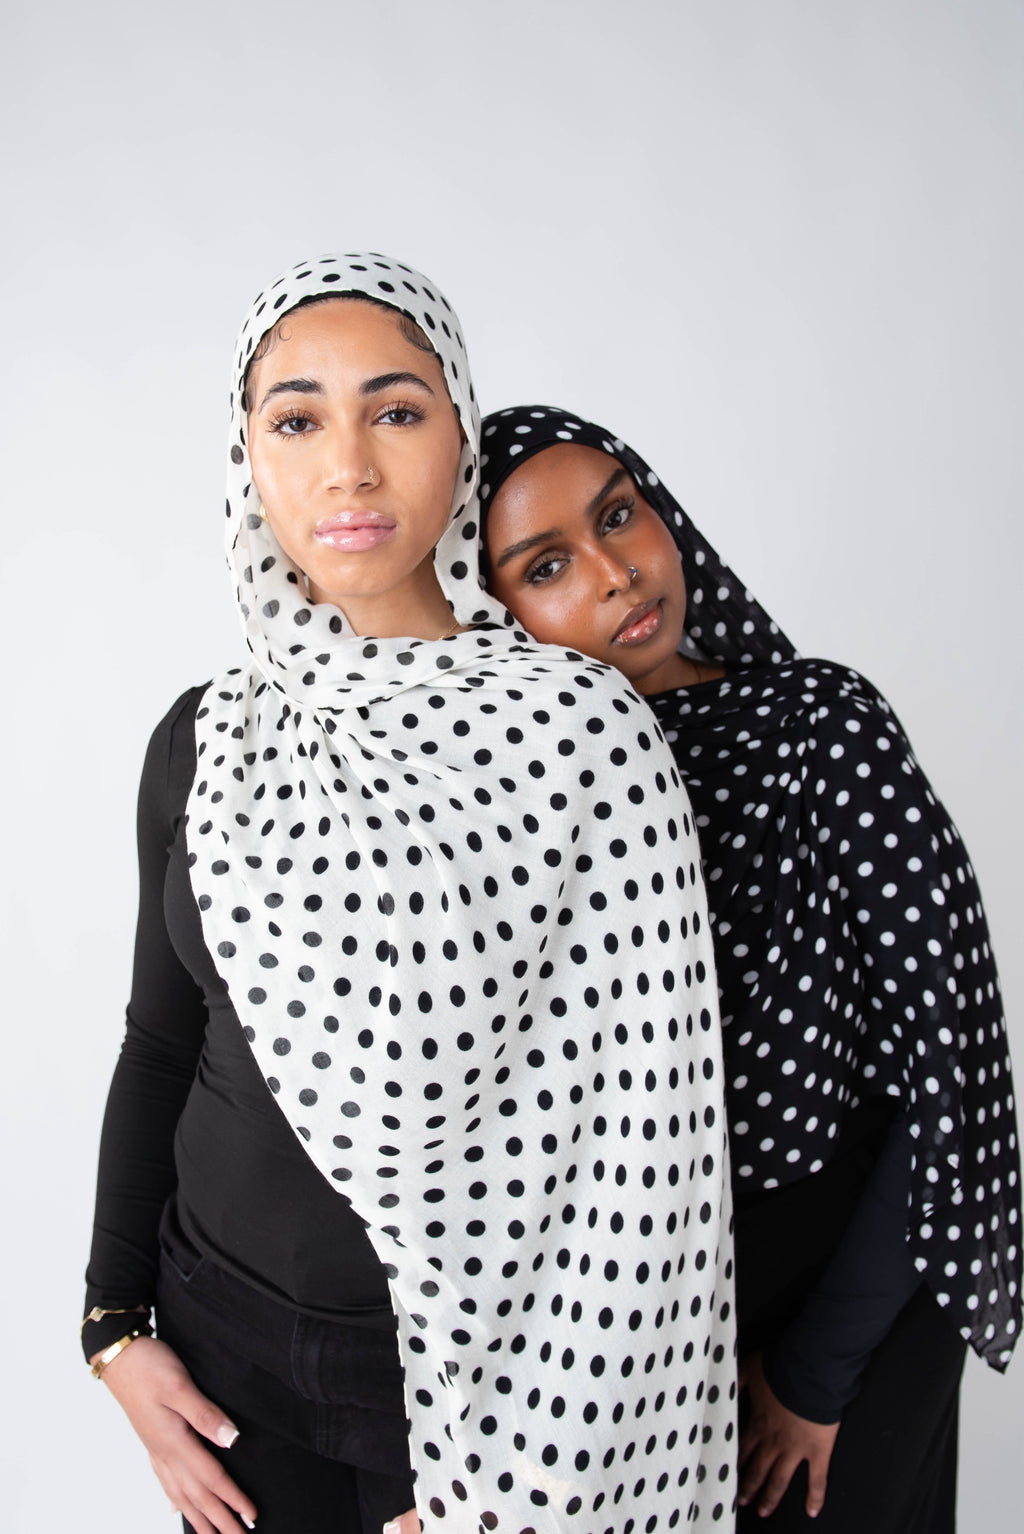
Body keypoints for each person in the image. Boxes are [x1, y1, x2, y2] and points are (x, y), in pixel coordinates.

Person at [82, 261, 738, 1534]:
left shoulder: (581, 733)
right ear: (248, 459)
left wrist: (536, 1486)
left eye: (394, 410)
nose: (348, 468)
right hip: (223, 1361)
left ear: (460, 432)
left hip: (481, 1406)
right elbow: (159, 1043)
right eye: (295, 419)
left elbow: (645, 1151)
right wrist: (116, 1330)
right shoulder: (206, 739)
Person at [477, 404, 1022, 1533]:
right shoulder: (517, 810)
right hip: (640, 1314)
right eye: (547, 565)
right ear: (494, 615)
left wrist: (816, 1373)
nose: (619, 571)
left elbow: (948, 1074)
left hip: (847, 1282)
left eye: (619, 514)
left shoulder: (819, 729)